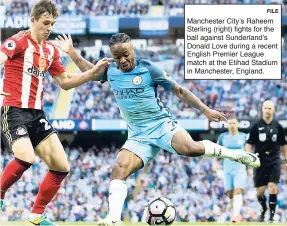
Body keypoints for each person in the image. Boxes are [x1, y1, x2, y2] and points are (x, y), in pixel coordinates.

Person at [55, 32, 260, 225]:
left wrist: (206, 110)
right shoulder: (110, 70)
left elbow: (178, 90)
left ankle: (234, 155)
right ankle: (114, 218)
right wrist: (72, 52)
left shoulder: (148, 68)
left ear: (132, 50)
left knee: (192, 149)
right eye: (117, 57)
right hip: (138, 135)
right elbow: (89, 72)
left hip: (161, 125)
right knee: (119, 168)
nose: (123, 60)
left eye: (125, 54)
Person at [0, 0, 110, 225]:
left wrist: (92, 73)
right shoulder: (19, 41)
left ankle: (37, 217)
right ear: (33, 21)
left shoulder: (50, 50)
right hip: (13, 110)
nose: (49, 28)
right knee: (26, 157)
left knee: (62, 166)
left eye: (52, 23)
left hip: (37, 115)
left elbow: (65, 82)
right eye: (45, 22)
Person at [245, 100, 287, 222]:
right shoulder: (256, 126)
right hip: (259, 162)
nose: (267, 110)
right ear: (262, 109)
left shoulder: (278, 127)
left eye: (270, 108)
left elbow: (284, 144)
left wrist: (286, 159)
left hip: (274, 161)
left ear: (274, 110)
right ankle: (264, 209)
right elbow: (249, 144)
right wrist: (249, 159)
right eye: (265, 108)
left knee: (273, 187)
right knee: (260, 192)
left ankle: (272, 216)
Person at [217, 119, 248, 223]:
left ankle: (236, 215)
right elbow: (217, 151)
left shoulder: (244, 136)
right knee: (230, 193)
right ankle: (232, 206)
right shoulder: (223, 137)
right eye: (230, 123)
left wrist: (251, 168)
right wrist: (214, 163)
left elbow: (248, 153)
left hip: (240, 168)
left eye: (234, 123)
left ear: (237, 125)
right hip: (227, 169)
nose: (232, 125)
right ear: (227, 125)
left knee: (238, 190)